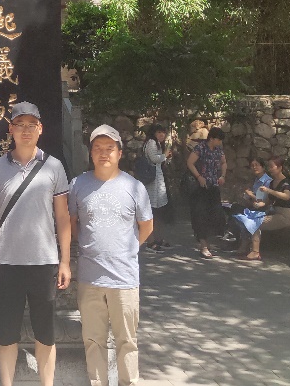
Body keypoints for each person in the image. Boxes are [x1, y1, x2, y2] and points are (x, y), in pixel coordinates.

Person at [0, 102, 71, 386]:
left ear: (40, 129)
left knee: (45, 333)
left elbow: (63, 216)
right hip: (6, 263)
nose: (26, 130)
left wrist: (65, 261)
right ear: (11, 129)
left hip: (44, 262)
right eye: (20, 125)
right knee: (7, 334)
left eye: (32, 125)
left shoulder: (54, 166)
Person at [69, 125, 153, 386]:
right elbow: (72, 224)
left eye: (109, 148)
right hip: (90, 277)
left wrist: (126, 250)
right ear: (91, 153)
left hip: (124, 279)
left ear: (119, 153)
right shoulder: (78, 185)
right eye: (98, 148)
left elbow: (147, 226)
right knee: (93, 340)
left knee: (127, 340)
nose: (103, 153)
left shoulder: (134, 187)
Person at [186, 127, 228, 259]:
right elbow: (190, 162)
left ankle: (211, 240)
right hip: (200, 187)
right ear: (212, 138)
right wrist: (199, 176)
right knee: (200, 215)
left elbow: (224, 162)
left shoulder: (218, 150)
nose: (220, 142)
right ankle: (203, 245)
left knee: (215, 214)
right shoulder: (201, 148)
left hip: (213, 186)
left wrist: (223, 175)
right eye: (218, 140)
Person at [231, 157, 271, 261]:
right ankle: (242, 242)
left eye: (256, 165)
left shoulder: (267, 181)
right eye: (252, 166)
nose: (254, 167)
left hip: (264, 208)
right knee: (235, 209)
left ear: (263, 167)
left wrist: (251, 195)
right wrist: (248, 197)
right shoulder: (256, 180)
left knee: (249, 219)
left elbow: (264, 200)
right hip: (254, 206)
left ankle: (247, 245)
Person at [141, 123, 173, 251]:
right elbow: (154, 159)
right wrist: (165, 155)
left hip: (158, 181)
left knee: (159, 211)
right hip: (152, 182)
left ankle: (158, 238)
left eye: (163, 132)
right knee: (151, 211)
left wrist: (166, 157)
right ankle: (150, 241)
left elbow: (160, 161)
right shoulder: (151, 143)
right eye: (159, 132)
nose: (162, 135)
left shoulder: (157, 144)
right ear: (153, 133)